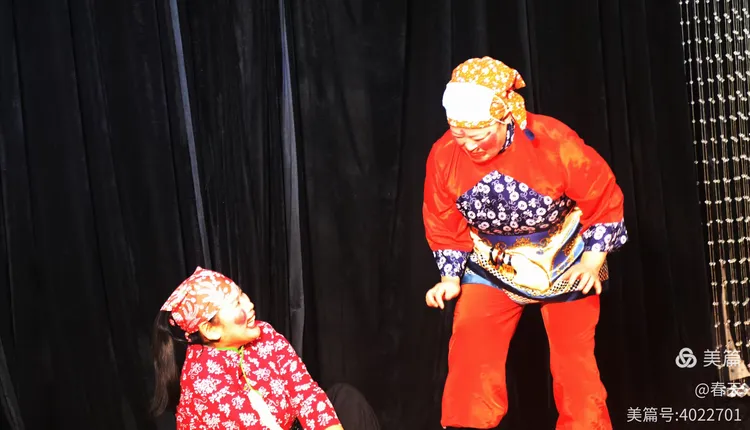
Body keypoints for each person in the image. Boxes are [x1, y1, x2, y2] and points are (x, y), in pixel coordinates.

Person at [422, 57, 628, 429]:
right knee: (470, 348)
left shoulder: (551, 140)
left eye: (479, 134)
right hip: (493, 261)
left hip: (565, 255)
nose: (468, 145)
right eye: (459, 133)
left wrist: (592, 261)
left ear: (505, 116)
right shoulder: (444, 154)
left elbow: (602, 195)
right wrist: (449, 278)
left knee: (574, 361)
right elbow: (442, 218)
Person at [150, 266, 380, 430]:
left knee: (346, 399)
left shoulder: (265, 333)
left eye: (242, 295)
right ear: (210, 330)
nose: (249, 304)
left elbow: (303, 391)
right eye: (237, 304)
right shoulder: (204, 381)